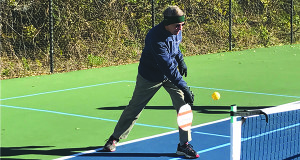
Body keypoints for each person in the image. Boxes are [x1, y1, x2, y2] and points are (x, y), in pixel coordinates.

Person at [102, 5, 199, 159]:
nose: (180, 29)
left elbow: (176, 47)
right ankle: (114, 138)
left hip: (169, 75)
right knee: (135, 108)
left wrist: (181, 60)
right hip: (150, 77)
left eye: (182, 25)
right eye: (177, 25)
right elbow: (167, 66)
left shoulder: (175, 30)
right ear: (167, 23)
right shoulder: (155, 37)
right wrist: (185, 87)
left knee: (183, 106)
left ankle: (184, 145)